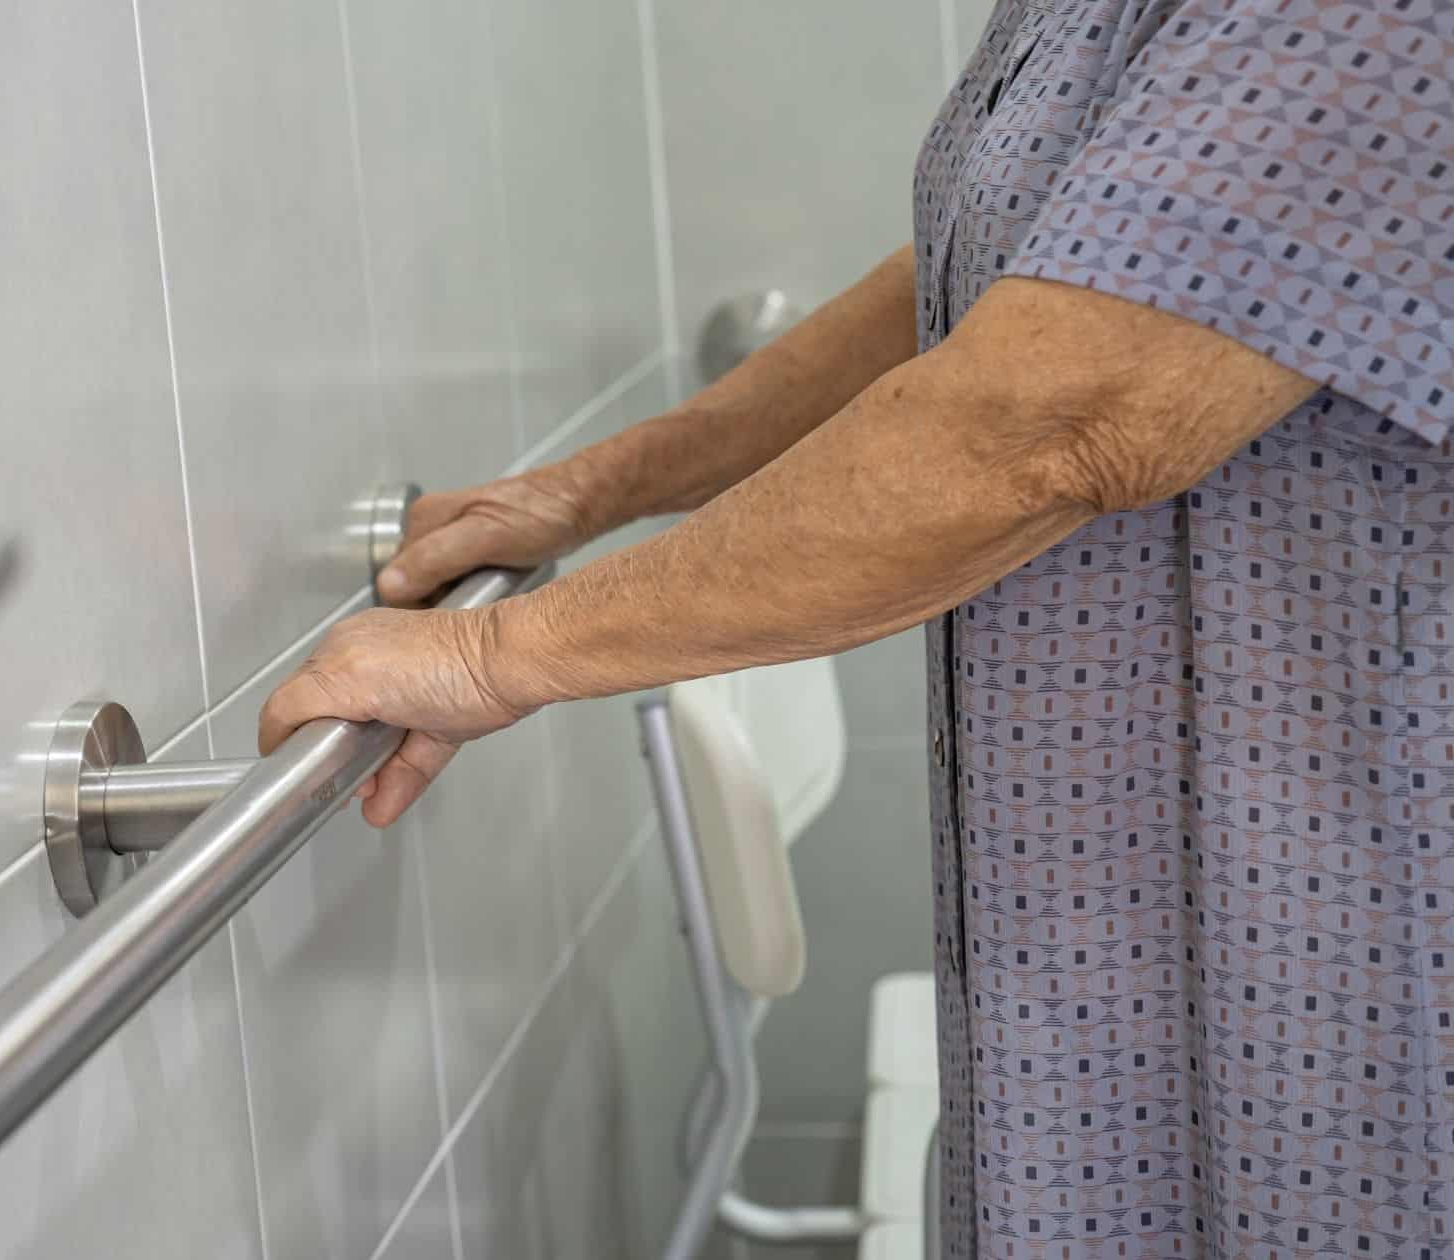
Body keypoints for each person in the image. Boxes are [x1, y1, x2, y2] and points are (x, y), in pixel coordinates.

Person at [257, 1, 1454, 1255]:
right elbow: (997, 287)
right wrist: (590, 489)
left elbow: (1055, 414)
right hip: (1119, 939)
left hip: (1343, 944)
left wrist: (490, 655)